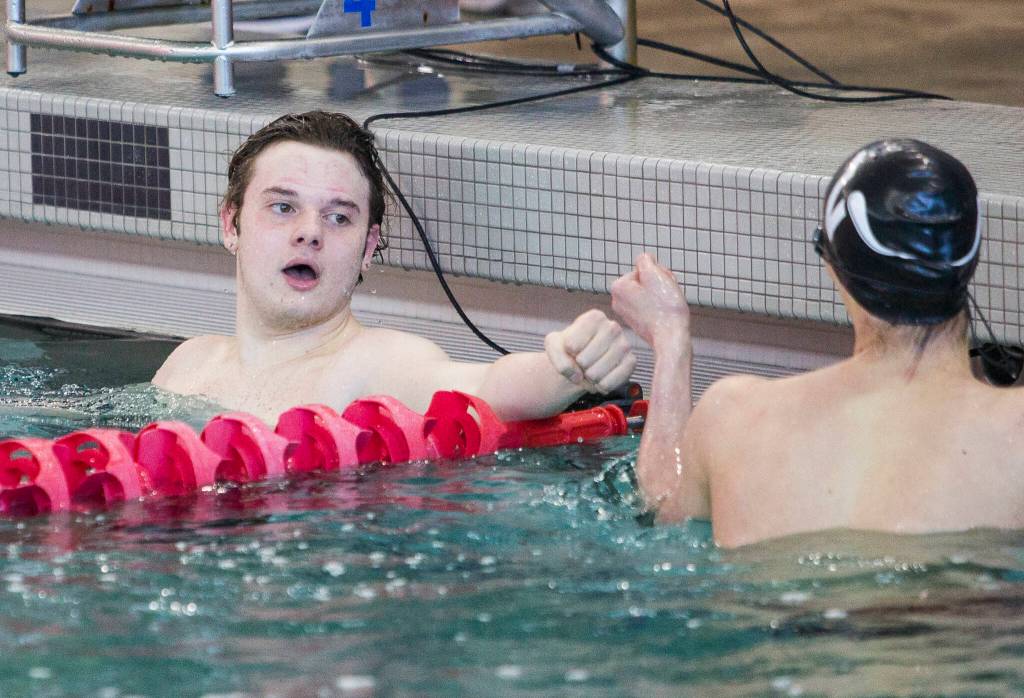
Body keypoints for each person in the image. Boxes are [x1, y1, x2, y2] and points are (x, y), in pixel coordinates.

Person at [612, 138, 1024, 548]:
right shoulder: (1016, 434)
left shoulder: (734, 420)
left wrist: (670, 338)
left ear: (834, 266)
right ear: (970, 259)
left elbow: (661, 506)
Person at [154, 111, 636, 424]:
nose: (310, 232)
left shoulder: (375, 365)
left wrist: (567, 369)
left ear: (368, 247)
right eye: (283, 208)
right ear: (231, 224)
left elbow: (487, 389)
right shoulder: (187, 366)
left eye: (338, 217)